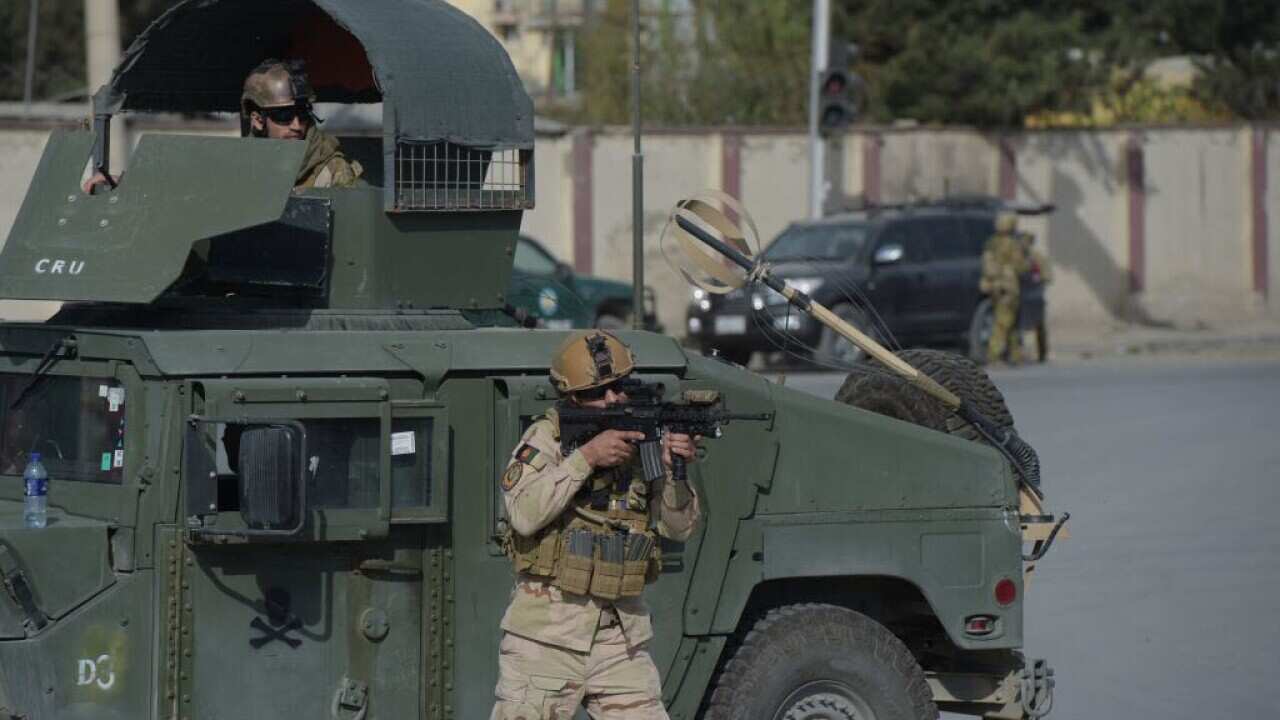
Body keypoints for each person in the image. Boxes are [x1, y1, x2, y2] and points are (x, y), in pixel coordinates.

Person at [491, 330, 702, 720]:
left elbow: (678, 529)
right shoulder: (547, 437)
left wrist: (675, 472)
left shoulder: (645, 443)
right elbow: (523, 515)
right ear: (572, 397)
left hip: (619, 637)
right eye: (597, 392)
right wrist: (586, 457)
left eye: (619, 387)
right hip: (545, 638)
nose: (611, 399)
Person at [82, 58, 361, 193]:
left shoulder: (331, 170)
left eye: (303, 114)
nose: (297, 125)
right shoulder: (241, 164)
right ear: (257, 119)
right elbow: (191, 183)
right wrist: (125, 182)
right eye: (284, 116)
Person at [979, 212, 1030, 365]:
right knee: (1004, 322)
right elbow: (1020, 266)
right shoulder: (1012, 244)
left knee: (1010, 322)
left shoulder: (992, 243)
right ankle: (994, 355)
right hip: (1008, 287)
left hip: (995, 286)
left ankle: (1015, 355)